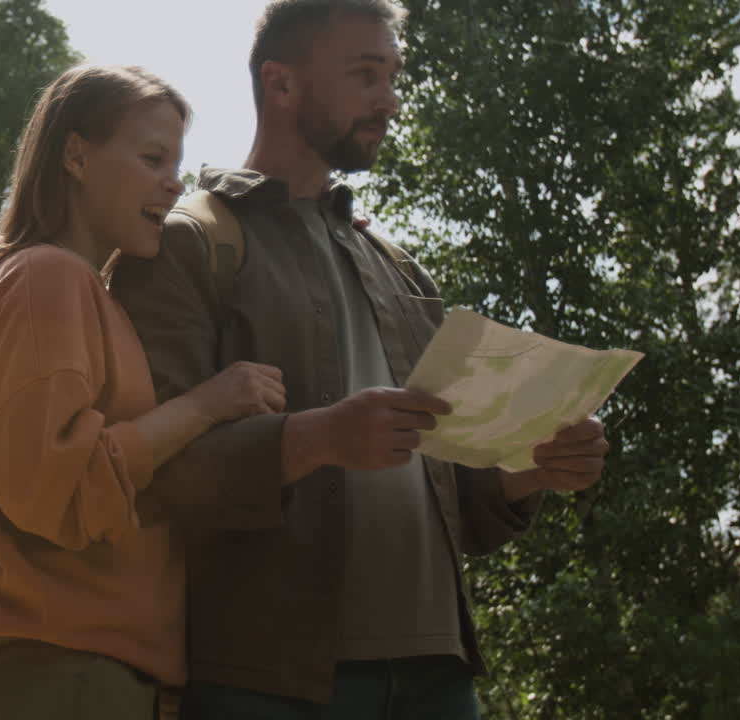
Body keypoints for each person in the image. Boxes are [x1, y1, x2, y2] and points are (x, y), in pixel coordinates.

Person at [110, 2, 610, 718]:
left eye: (392, 75)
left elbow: (459, 502)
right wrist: (315, 439)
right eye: (365, 75)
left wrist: (531, 472)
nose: (389, 99)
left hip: (440, 678)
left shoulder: (402, 271)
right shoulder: (189, 244)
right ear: (281, 85)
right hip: (266, 685)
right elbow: (153, 477)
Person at [0, 64, 286, 720]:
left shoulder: (84, 291)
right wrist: (209, 403)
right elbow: (55, 487)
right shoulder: (48, 278)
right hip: (51, 666)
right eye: (152, 157)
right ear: (75, 154)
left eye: (176, 163)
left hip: (74, 666)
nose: (173, 182)